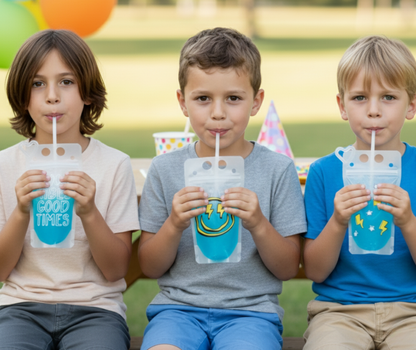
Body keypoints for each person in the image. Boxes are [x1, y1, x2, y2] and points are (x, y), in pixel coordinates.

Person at [138, 27, 307, 350]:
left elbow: (287, 268)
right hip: (177, 312)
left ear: (256, 101)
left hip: (251, 314)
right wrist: (174, 224)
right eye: (203, 99)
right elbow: (149, 265)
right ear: (182, 102)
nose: (218, 113)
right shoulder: (165, 169)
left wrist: (258, 222)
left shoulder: (277, 169)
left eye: (233, 98)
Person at [0, 29, 140, 350]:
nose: (52, 95)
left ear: (88, 93)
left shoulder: (114, 164)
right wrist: (22, 211)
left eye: (66, 81)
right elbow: (1, 269)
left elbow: (116, 269)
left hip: (95, 310)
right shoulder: (5, 166)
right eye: (38, 84)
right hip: (19, 307)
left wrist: (89, 212)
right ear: (23, 97)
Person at [303, 35, 416, 349]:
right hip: (340, 312)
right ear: (342, 105)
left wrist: (408, 221)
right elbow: (315, 270)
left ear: (412, 105)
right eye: (360, 98)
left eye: (389, 97)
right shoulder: (324, 172)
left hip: (411, 312)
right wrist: (338, 221)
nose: (374, 110)